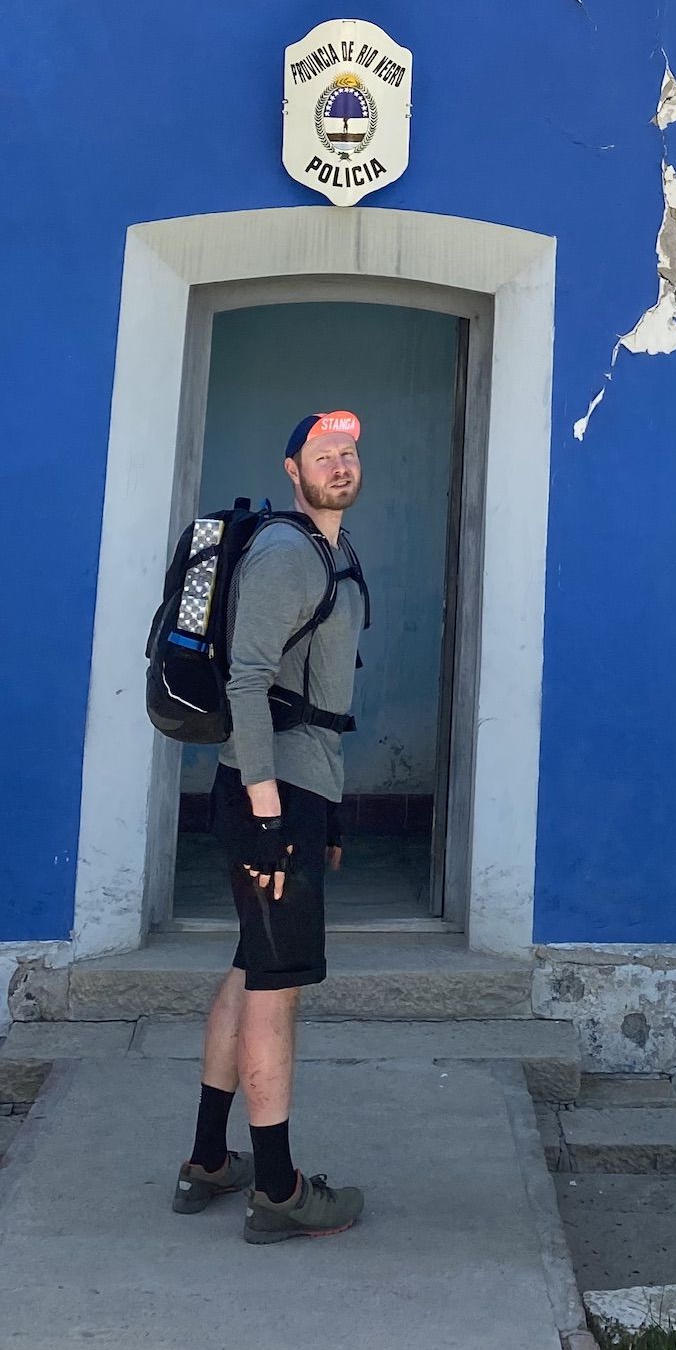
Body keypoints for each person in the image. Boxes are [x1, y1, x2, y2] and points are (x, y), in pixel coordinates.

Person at [172, 409, 370, 1240]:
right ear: (292, 469)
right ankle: (280, 1189)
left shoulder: (332, 550)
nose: (340, 462)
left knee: (252, 965)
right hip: (271, 792)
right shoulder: (288, 553)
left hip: (297, 788)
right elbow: (248, 682)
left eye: (349, 451)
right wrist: (269, 812)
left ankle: (211, 1160)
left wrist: (320, 811)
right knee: (275, 988)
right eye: (323, 453)